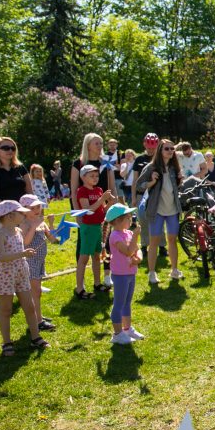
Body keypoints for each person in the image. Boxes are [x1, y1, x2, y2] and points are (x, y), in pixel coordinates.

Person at [0, 200, 49, 356]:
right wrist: (23, 254)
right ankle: (7, 343)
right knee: (6, 309)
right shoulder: (0, 235)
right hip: (6, 276)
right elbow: (2, 257)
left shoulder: (17, 231)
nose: (24, 214)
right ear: (10, 216)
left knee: (29, 307)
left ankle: (35, 337)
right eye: (21, 212)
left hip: (21, 274)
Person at [71, 133, 117, 287]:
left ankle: (106, 275)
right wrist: (78, 213)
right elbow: (73, 190)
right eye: (96, 143)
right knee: (83, 245)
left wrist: (114, 201)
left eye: (101, 143)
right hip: (86, 210)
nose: (100, 146)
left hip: (104, 209)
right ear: (88, 145)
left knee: (105, 241)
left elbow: (112, 187)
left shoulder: (106, 163)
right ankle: (81, 281)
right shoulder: (79, 164)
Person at [137, 139, 184, 284]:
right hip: (156, 210)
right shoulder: (151, 168)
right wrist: (151, 182)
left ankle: (174, 270)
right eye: (167, 149)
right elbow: (139, 186)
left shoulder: (174, 167)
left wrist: (180, 182)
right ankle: (152, 273)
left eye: (172, 149)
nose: (170, 151)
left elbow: (174, 188)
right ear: (160, 151)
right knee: (154, 242)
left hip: (172, 210)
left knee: (172, 240)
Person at [105, 204, 145, 345]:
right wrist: (136, 235)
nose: (131, 219)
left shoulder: (127, 233)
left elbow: (137, 249)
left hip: (130, 273)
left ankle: (127, 329)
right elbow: (128, 251)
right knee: (119, 303)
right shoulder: (115, 236)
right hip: (120, 274)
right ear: (117, 221)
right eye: (128, 217)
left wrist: (139, 258)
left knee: (127, 302)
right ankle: (117, 334)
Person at [75, 164, 114, 297]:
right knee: (83, 258)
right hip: (88, 227)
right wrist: (102, 199)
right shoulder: (82, 191)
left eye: (96, 175)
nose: (95, 178)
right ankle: (79, 288)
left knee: (97, 257)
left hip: (98, 226)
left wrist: (109, 203)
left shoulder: (98, 190)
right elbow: (88, 210)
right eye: (91, 176)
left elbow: (102, 209)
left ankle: (97, 283)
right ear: (83, 177)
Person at [20, 194, 58, 330]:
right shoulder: (24, 224)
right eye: (33, 207)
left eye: (38, 206)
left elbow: (53, 239)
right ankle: (38, 321)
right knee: (35, 291)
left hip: (40, 261)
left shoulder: (41, 222)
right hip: (30, 261)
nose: (37, 210)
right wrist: (33, 227)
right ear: (24, 210)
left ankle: (37, 315)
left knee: (37, 291)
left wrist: (52, 223)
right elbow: (25, 242)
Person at [0, 137, 31, 233]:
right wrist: (9, 211)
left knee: (25, 245)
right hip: (2, 216)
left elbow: (30, 192)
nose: (10, 150)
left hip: (22, 214)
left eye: (13, 148)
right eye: (5, 148)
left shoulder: (21, 167)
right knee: (6, 247)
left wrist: (27, 211)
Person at [131, 133, 166, 258]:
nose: (151, 150)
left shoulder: (160, 159)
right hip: (142, 194)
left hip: (157, 194)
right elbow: (135, 180)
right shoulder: (139, 160)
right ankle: (145, 245)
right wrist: (134, 197)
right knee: (143, 219)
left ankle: (162, 246)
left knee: (158, 220)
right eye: (149, 148)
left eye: (153, 148)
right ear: (144, 144)